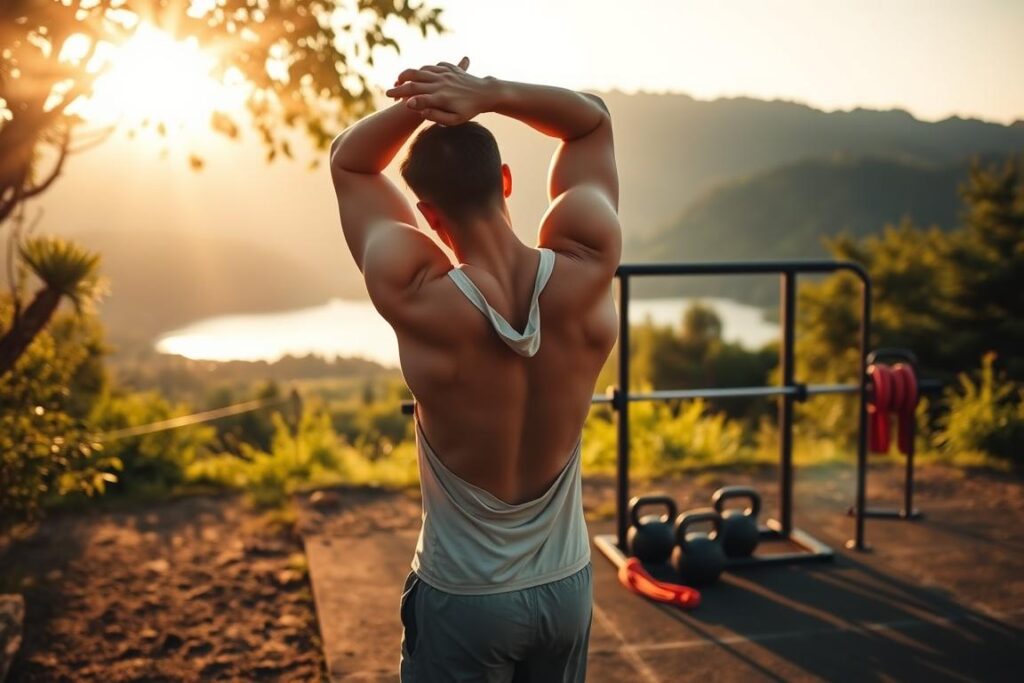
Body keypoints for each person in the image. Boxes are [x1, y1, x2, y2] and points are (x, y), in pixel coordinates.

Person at [329, 55, 620, 682]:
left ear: (429, 218)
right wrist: (483, 93)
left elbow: (348, 162)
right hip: (565, 587)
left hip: (464, 598)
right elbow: (591, 124)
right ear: (508, 181)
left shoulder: (417, 294)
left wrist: (418, 102)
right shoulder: (589, 260)